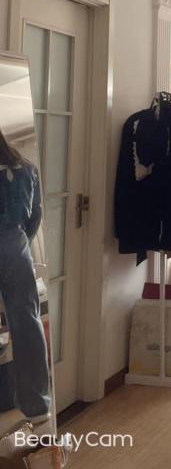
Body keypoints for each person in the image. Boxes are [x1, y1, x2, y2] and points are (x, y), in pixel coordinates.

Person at [0, 128, 51, 424]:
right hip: (15, 244)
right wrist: (19, 240)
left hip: (13, 241)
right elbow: (35, 217)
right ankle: (38, 407)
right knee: (27, 325)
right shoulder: (26, 169)